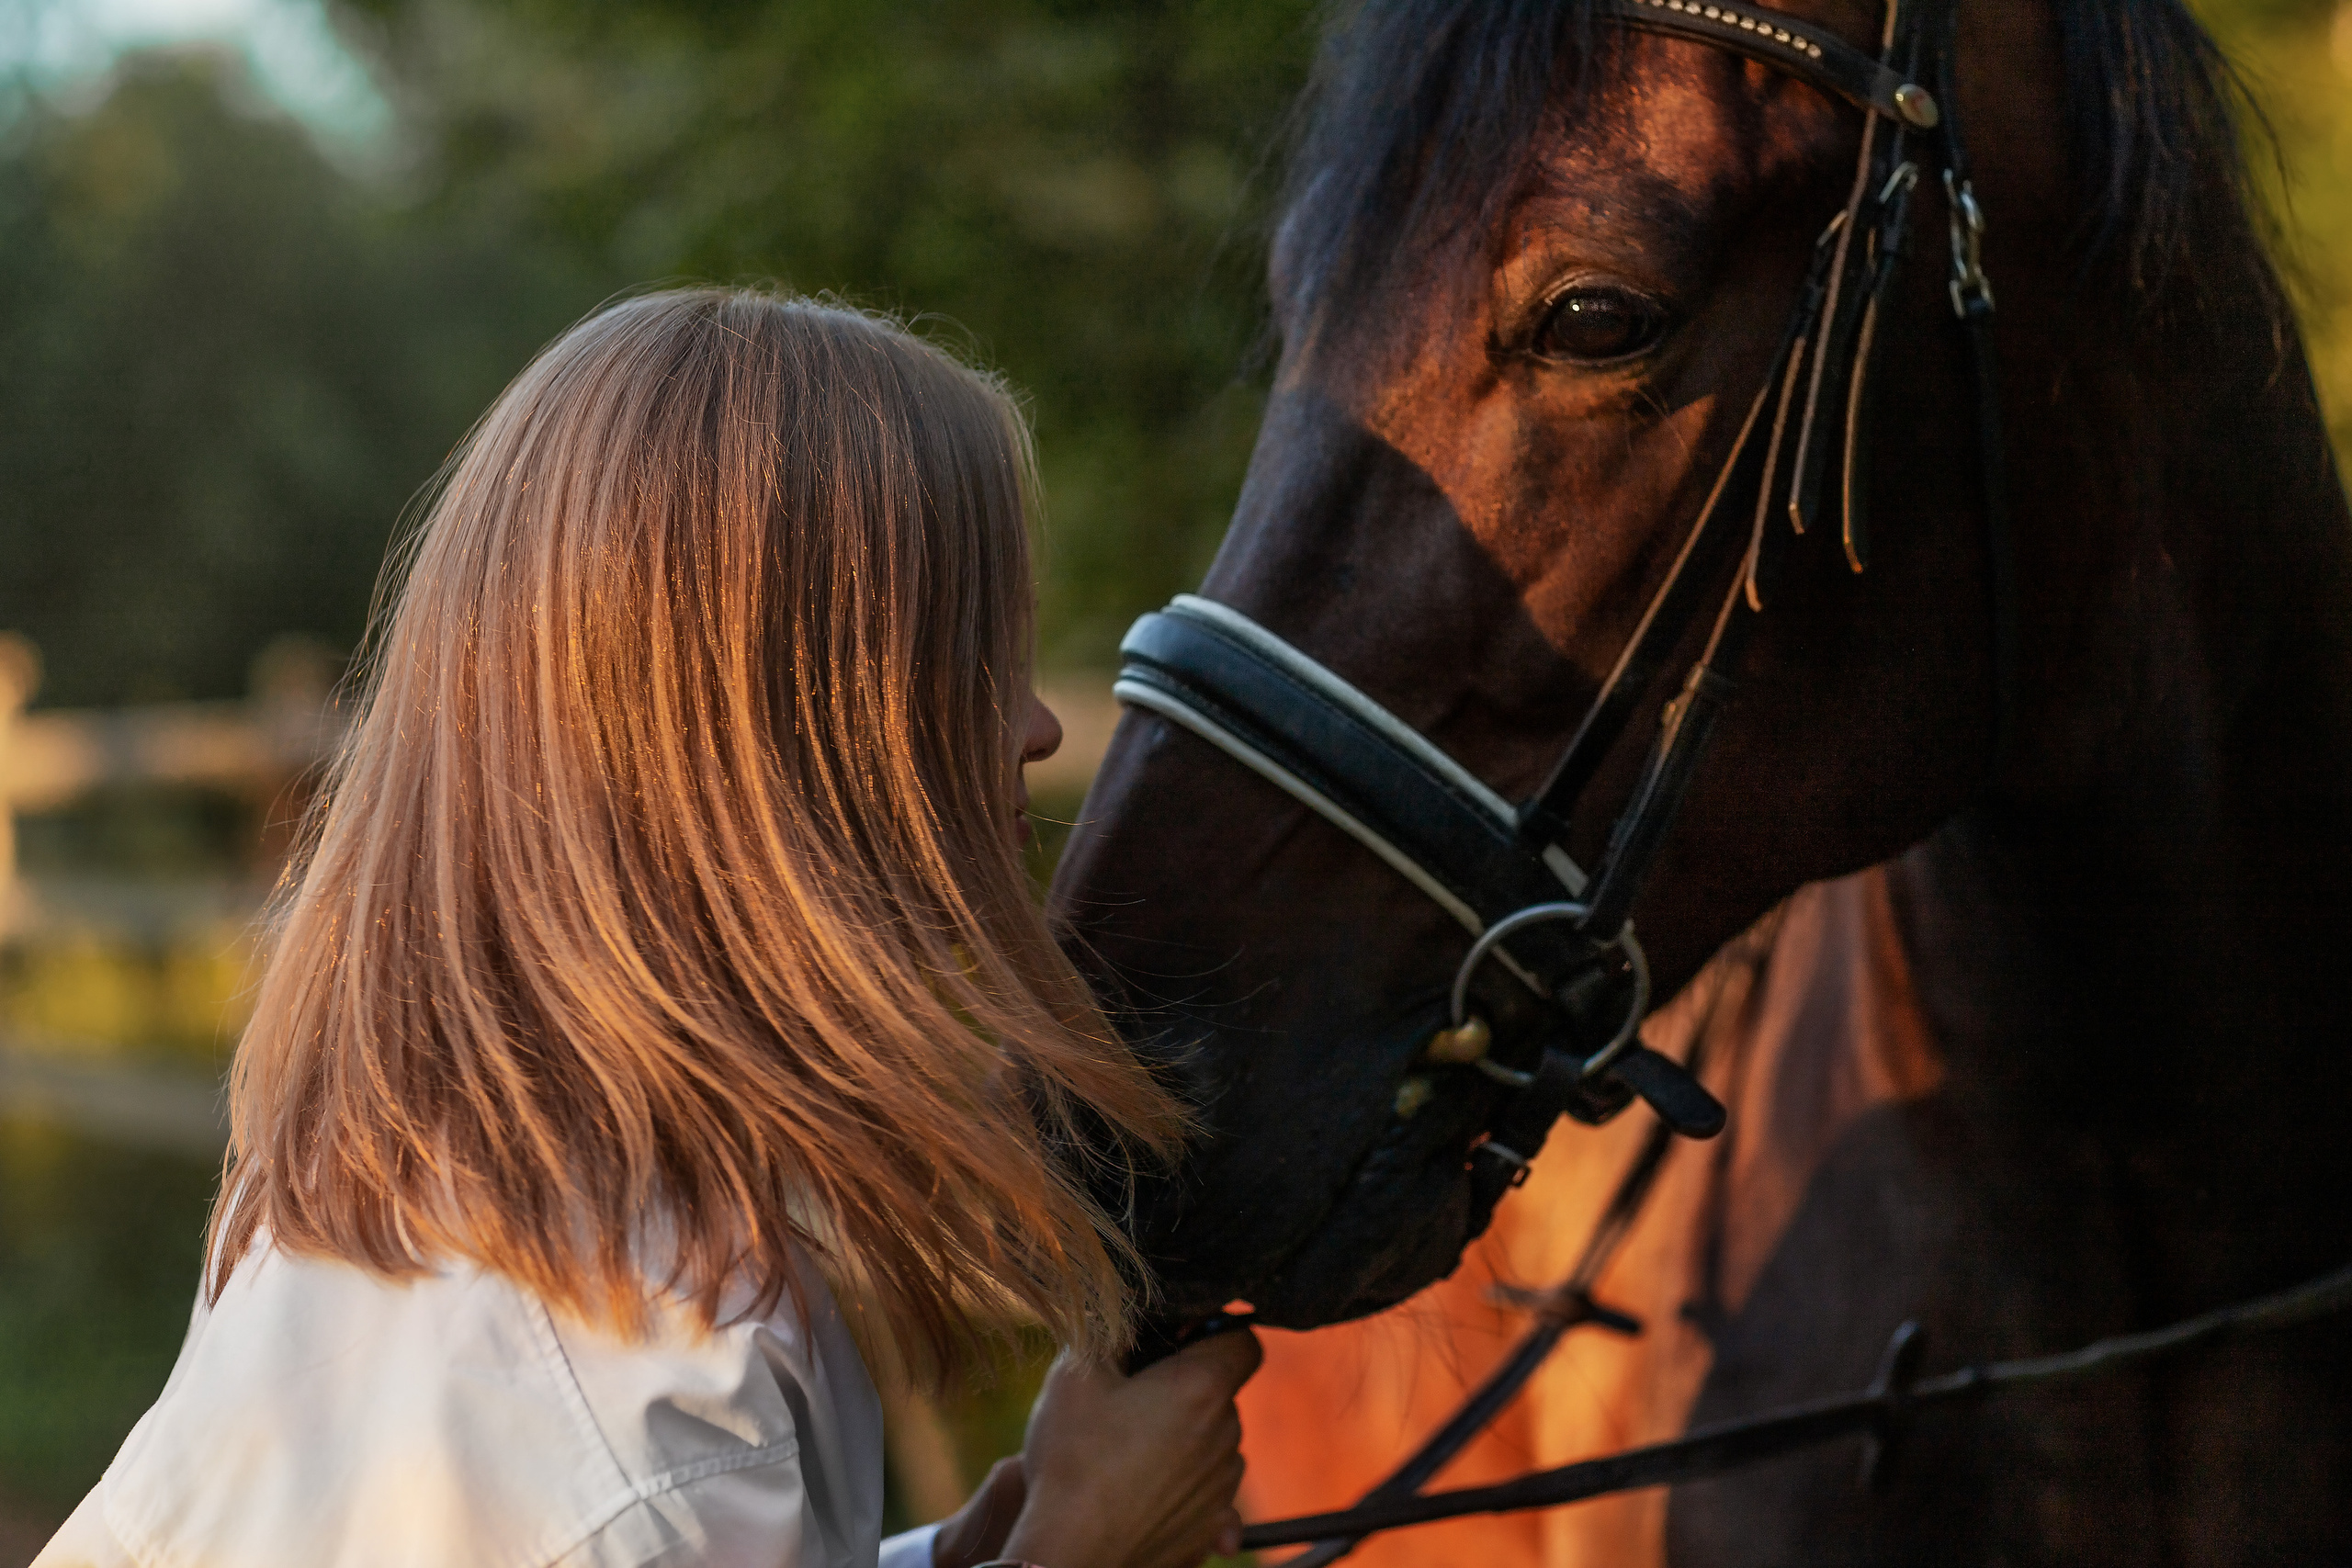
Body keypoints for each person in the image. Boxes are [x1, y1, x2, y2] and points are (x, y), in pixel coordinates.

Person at [35, 288, 1261, 1568]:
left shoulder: (545, 1227)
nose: (1035, 729)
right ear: (787, 742)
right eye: (971, 660)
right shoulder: (611, 1432)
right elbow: (624, 1517)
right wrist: (1081, 1553)